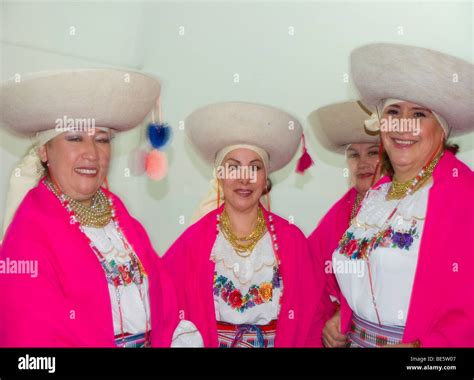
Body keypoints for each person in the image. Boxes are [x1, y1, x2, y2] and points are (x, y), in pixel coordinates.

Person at [0, 69, 201, 347]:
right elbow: (32, 339)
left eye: (102, 139)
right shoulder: (28, 235)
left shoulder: (118, 216)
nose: (92, 153)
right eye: (74, 138)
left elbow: (164, 300)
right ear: (45, 151)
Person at [330, 43, 474, 347]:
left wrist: (425, 351)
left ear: (442, 130)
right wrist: (342, 316)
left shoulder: (464, 196)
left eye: (419, 114)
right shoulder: (377, 196)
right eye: (393, 112)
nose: (402, 125)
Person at [162, 101, 321, 347]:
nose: (244, 178)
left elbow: (314, 316)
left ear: (265, 177)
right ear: (220, 175)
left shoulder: (291, 240)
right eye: (233, 168)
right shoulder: (194, 241)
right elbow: (161, 297)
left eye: (254, 168)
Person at [307, 100, 384, 347]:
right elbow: (310, 281)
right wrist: (327, 323)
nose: (362, 163)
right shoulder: (336, 217)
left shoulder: (407, 207)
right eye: (354, 155)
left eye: (373, 153)